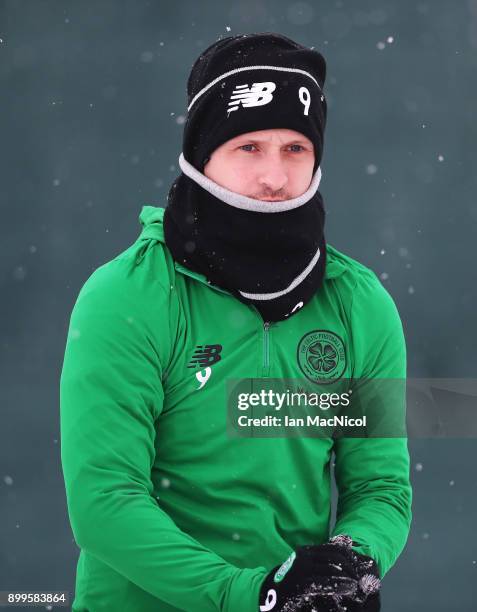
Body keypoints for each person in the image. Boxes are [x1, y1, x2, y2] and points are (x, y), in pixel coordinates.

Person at [60, 32, 412, 611]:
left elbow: (380, 488)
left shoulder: (359, 303)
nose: (274, 177)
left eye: (295, 149)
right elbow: (105, 502)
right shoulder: (127, 295)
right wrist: (250, 595)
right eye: (249, 147)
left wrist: (347, 563)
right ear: (203, 156)